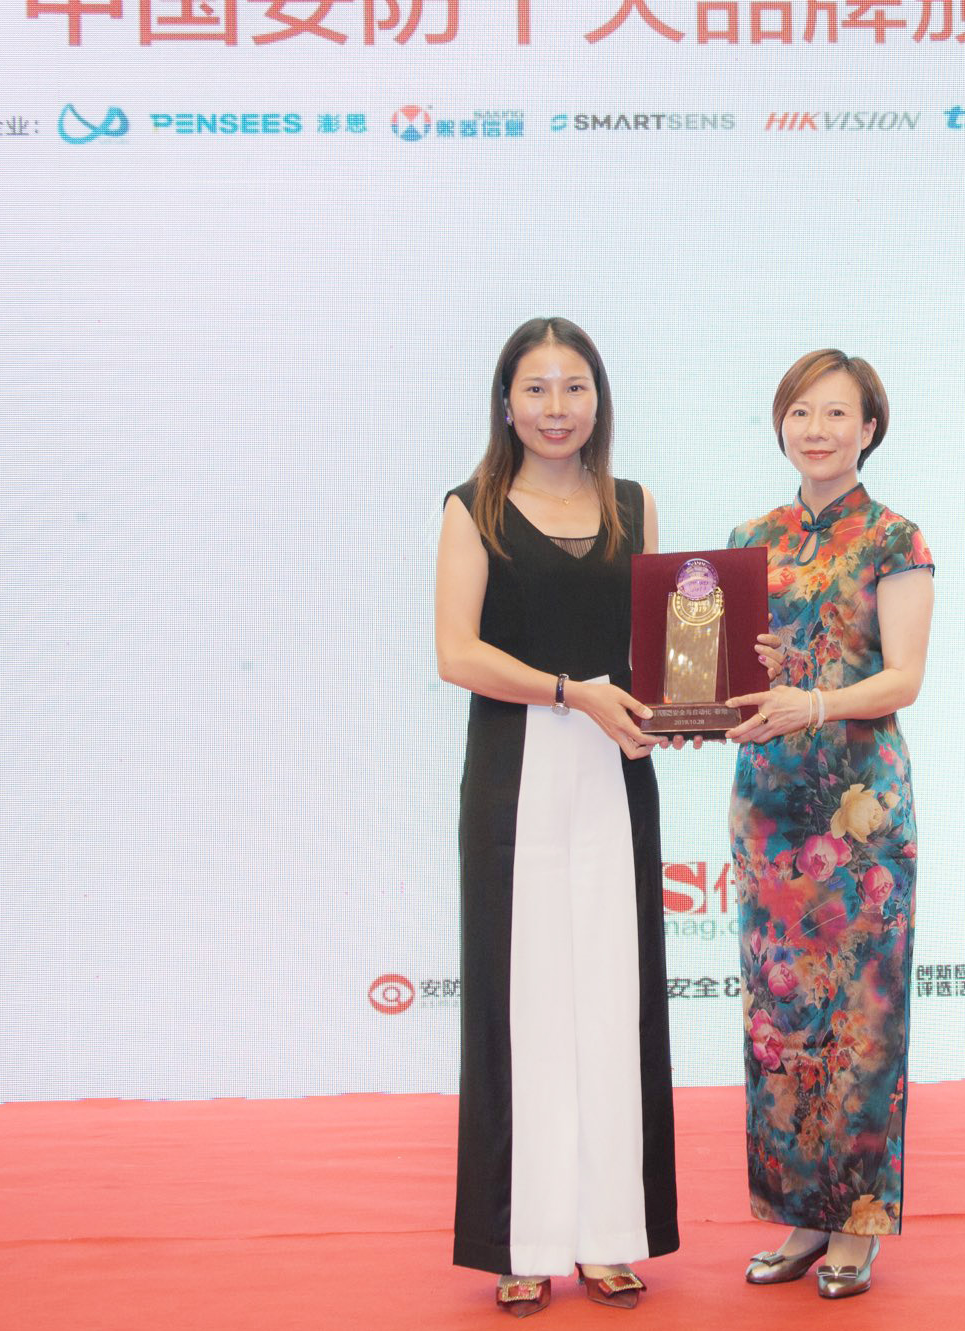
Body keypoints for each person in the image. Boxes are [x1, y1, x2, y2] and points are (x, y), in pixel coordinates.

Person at [435, 317, 679, 1316]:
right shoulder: (472, 509)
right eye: (534, 389)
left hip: (616, 770)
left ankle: (609, 1236)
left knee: (615, 1000)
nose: (555, 408)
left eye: (573, 387)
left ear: (598, 399)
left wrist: (686, 703)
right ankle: (523, 1240)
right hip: (516, 776)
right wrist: (570, 691)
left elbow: (661, 647)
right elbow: (456, 653)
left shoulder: (633, 504)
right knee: (523, 1004)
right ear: (506, 403)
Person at [723, 350, 935, 1301]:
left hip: (857, 813)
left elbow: (902, 678)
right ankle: (800, 1215)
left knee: (859, 1017)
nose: (817, 429)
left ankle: (856, 1222)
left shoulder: (895, 538)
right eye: (801, 411)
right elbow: (734, 669)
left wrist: (812, 700)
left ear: (870, 428)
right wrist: (726, 687)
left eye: (837, 413)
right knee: (779, 1017)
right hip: (768, 806)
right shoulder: (749, 538)